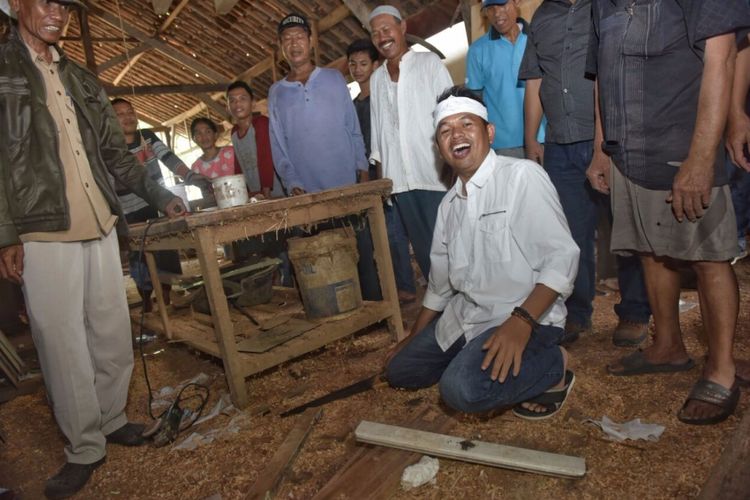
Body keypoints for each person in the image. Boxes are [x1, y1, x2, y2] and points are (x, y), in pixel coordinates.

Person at [0, 1, 187, 497]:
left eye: (64, 3)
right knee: (61, 344)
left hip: (102, 221)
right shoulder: (3, 71)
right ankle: (84, 447)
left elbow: (117, 158)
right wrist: (5, 234)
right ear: (16, 5)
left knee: (110, 329)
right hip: (42, 230)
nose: (56, 11)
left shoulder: (82, 78)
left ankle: (111, 419)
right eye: (44, 0)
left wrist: (162, 196)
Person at [587, 0, 750, 425]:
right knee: (649, 249)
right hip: (627, 151)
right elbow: (602, 76)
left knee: (708, 257)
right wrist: (600, 150)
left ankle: (721, 370)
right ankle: (668, 347)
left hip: (683, 146)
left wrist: (700, 159)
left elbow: (723, 59)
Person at [386, 86, 579, 419]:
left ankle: (554, 364)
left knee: (462, 390)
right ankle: (470, 358)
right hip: (467, 317)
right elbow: (440, 285)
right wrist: (413, 337)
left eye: (466, 124)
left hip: (524, 317)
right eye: (445, 131)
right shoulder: (448, 206)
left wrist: (521, 322)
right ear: (439, 148)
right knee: (400, 371)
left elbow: (562, 259)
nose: (456, 134)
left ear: (488, 131)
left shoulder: (521, 177)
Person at [519, 0, 651, 346]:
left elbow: (610, 74)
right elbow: (535, 80)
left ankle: (635, 312)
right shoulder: (543, 15)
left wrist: (602, 145)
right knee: (570, 238)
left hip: (609, 141)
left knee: (624, 231)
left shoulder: (606, 6)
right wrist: (531, 138)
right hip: (559, 146)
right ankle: (577, 313)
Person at [269, 13, 380, 301]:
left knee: (360, 253)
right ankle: (337, 320)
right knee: (323, 263)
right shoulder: (276, 93)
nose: (294, 45)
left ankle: (373, 313)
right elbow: (278, 145)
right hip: (307, 194)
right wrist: (291, 180)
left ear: (311, 41)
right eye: (287, 40)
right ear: (281, 46)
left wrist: (361, 167)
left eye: (299, 37)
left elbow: (352, 128)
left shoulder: (333, 79)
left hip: (346, 186)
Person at [369, 5, 452, 283]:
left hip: (434, 176)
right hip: (400, 182)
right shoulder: (376, 79)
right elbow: (378, 137)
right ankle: (445, 316)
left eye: (386, 28)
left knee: (451, 249)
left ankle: (475, 313)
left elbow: (450, 117)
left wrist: (454, 171)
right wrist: (384, 186)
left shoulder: (429, 63)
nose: (382, 37)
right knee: (426, 254)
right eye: (375, 33)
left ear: (402, 27)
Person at [111, 98, 207, 311]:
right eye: (120, 114)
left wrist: (190, 176)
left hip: (159, 205)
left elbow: (169, 158)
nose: (128, 117)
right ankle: (146, 301)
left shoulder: (147, 137)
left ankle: (165, 301)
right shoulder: (112, 147)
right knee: (139, 259)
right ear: (110, 119)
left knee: (167, 250)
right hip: (129, 211)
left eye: (130, 112)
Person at [347, 38, 416, 304]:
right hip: (364, 174)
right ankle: (385, 286)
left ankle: (406, 285)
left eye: (364, 63)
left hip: (388, 170)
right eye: (353, 64)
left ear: (376, 64)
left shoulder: (384, 95)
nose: (358, 69)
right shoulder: (352, 105)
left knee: (394, 230)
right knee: (373, 237)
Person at [465, 0, 544, 159]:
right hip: (503, 147)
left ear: (516, 2)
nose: (497, 13)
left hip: (544, 138)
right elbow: (474, 103)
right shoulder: (477, 51)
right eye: (490, 8)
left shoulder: (539, 39)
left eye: (502, 4)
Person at [226, 80, 283, 198]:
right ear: (228, 107)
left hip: (275, 193)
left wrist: (266, 193)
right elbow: (238, 166)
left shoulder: (261, 123)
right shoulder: (234, 133)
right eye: (232, 100)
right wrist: (241, 194)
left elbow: (265, 158)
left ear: (253, 103)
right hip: (256, 195)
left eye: (242, 99)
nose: (237, 104)